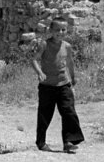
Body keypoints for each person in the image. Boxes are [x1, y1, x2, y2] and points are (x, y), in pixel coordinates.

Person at [32, 19, 85, 153]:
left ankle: (68, 141)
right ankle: (41, 142)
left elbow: (70, 62)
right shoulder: (44, 44)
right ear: (51, 30)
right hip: (47, 86)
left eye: (63, 30)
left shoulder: (67, 46)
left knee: (69, 111)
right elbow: (34, 60)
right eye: (57, 30)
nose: (60, 32)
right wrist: (40, 73)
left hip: (63, 84)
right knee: (45, 115)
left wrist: (73, 77)